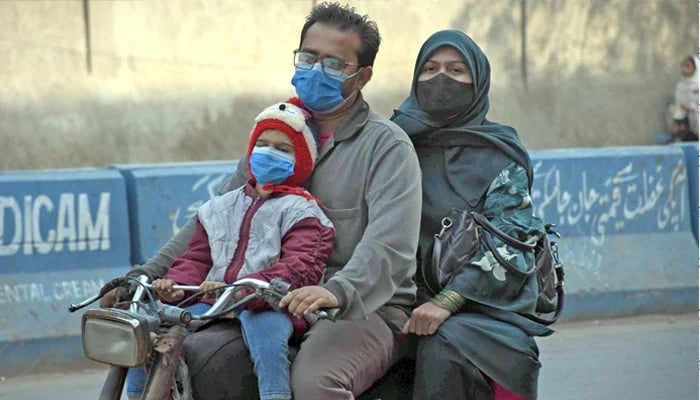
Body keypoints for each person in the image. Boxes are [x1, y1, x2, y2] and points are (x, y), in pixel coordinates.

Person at [103, 2, 422, 399]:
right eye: (309, 57)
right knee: (172, 352)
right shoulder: (276, 133)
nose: (316, 69)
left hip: (358, 305)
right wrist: (145, 275)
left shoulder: (387, 146)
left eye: (334, 63)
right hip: (261, 296)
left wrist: (337, 291)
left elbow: (390, 246)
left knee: (313, 384)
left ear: (362, 76)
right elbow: (212, 219)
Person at [124, 98, 336, 400]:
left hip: (270, 303)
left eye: (283, 148)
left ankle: (275, 394)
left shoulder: (305, 211)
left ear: (300, 160)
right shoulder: (220, 206)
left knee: (268, 338)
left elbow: (300, 268)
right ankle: (137, 394)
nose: (269, 152)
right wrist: (175, 286)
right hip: (211, 299)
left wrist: (237, 290)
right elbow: (196, 257)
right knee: (148, 326)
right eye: (262, 144)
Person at [391, 30, 553, 400]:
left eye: (456, 70)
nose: (441, 79)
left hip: (483, 305)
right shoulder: (394, 143)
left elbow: (512, 238)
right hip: (395, 299)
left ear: (478, 81)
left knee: (444, 346)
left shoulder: (499, 152)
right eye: (429, 68)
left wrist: (448, 300)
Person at [666, 54, 699, 142]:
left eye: (687, 66)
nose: (684, 69)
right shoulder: (681, 86)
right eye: (683, 66)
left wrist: (690, 108)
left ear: (696, 68)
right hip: (686, 122)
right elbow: (679, 107)